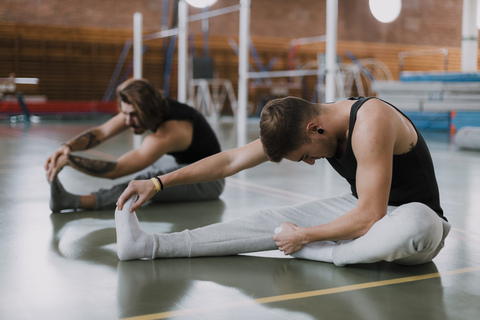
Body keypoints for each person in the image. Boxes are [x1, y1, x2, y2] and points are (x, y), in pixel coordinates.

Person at [114, 96, 451, 266]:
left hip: (408, 224)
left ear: (314, 129)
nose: (308, 162)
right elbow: (230, 160)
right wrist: (158, 183)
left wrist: (304, 236)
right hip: (363, 208)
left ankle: (324, 253)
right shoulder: (301, 124)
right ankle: (150, 246)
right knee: (270, 221)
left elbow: (370, 216)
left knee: (417, 224)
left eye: (304, 154)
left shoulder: (370, 121)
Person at [45, 78, 225, 212]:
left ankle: (74, 202)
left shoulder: (168, 133)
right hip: (184, 163)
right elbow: (101, 132)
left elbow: (117, 169)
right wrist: (67, 147)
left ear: (146, 112)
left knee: (148, 179)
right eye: (125, 114)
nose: (127, 121)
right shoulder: (148, 108)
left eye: (132, 116)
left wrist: (70, 161)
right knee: (154, 164)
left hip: (208, 180)